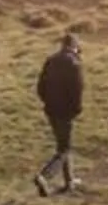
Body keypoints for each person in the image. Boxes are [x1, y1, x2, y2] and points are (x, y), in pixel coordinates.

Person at [34, 33, 84, 196]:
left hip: (51, 110)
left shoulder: (50, 61)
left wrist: (47, 102)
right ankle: (44, 176)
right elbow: (77, 90)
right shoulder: (74, 64)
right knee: (64, 149)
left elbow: (40, 87)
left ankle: (69, 182)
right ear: (74, 46)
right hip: (65, 111)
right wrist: (76, 109)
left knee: (63, 145)